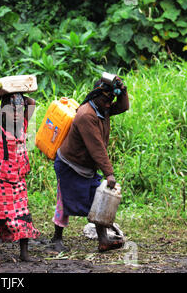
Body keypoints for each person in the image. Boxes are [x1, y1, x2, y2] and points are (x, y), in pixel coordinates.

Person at [51, 75, 129, 253]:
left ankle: (103, 240)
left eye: (111, 99)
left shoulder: (103, 108)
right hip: (69, 165)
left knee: (97, 199)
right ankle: (56, 238)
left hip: (86, 167)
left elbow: (123, 106)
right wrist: (109, 173)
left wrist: (122, 91)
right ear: (95, 96)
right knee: (64, 202)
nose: (109, 103)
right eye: (106, 99)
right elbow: (97, 148)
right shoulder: (87, 114)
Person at [0, 87, 40, 262]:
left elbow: (32, 103)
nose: (16, 115)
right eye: (11, 111)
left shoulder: (23, 126)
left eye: (19, 111)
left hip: (18, 181)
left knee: (22, 215)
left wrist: (18, 94)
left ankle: (24, 253)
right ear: (2, 112)